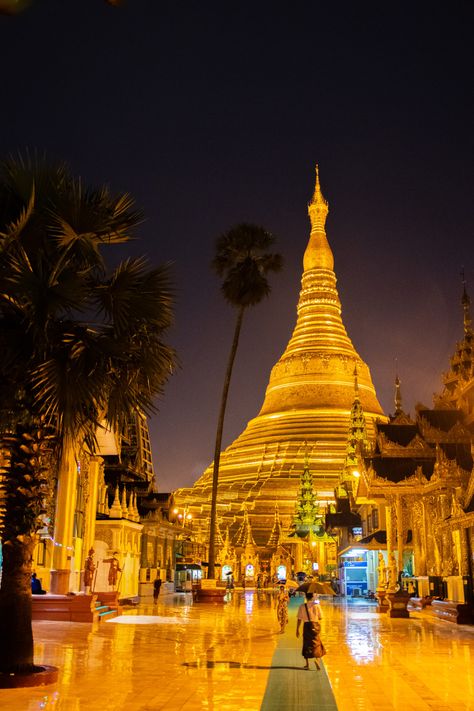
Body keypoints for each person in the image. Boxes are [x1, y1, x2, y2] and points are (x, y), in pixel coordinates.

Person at [296, 592, 324, 670]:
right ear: (312, 597)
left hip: (306, 626)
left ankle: (307, 664)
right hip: (315, 625)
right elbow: (321, 617)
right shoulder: (317, 606)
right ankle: (317, 660)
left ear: (306, 597)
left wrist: (297, 629)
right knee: (317, 643)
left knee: (306, 644)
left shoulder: (302, 606)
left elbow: (299, 618)